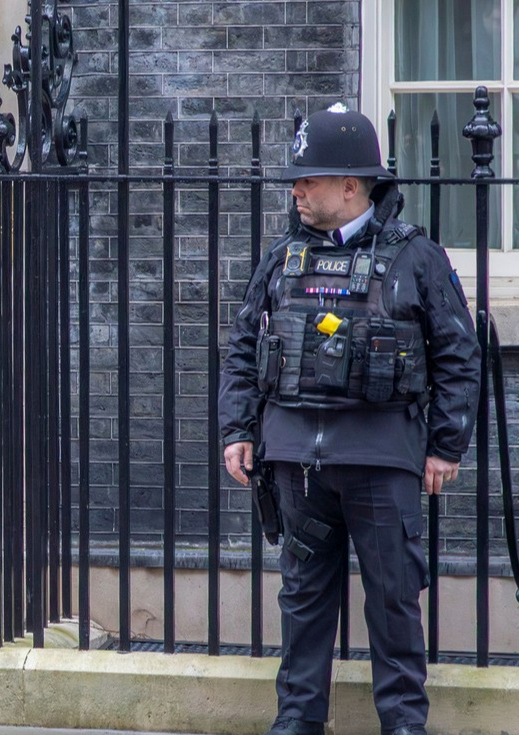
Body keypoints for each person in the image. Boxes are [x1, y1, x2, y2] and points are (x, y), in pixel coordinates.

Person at [219, 105, 480, 735]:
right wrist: (238, 429)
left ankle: (404, 726)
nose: (296, 190)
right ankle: (297, 724)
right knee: (303, 606)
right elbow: (244, 345)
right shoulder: (283, 258)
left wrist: (445, 446)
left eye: (308, 179)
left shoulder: (415, 257)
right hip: (297, 467)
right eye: (297, 180)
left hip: (380, 461)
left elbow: (458, 353)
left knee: (393, 603)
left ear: (351, 186)